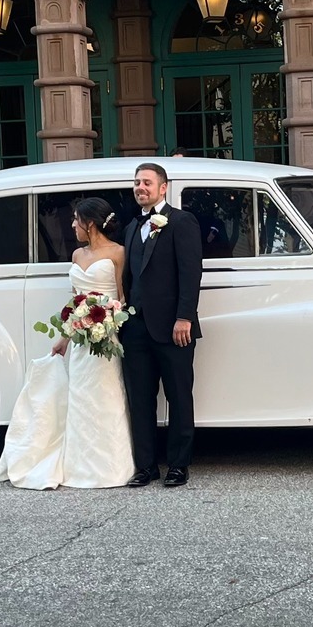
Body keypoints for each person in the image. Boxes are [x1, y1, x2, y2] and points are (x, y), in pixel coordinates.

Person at [0, 198, 136, 490]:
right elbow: (75, 301)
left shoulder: (119, 252)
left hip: (106, 338)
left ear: (90, 224)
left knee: (105, 397)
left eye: (76, 220)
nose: (72, 225)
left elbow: (123, 297)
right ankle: (77, 464)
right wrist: (64, 338)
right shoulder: (76, 254)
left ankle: (109, 467)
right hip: (82, 341)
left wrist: (109, 319)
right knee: (79, 397)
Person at [121, 162, 203, 489]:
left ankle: (179, 465)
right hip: (135, 328)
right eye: (136, 183)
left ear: (163, 187)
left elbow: (191, 273)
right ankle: (146, 466)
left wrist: (185, 317)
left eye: (147, 182)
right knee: (140, 399)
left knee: (179, 397)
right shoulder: (131, 227)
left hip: (173, 328)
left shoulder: (181, 221)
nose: (140, 188)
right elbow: (129, 278)